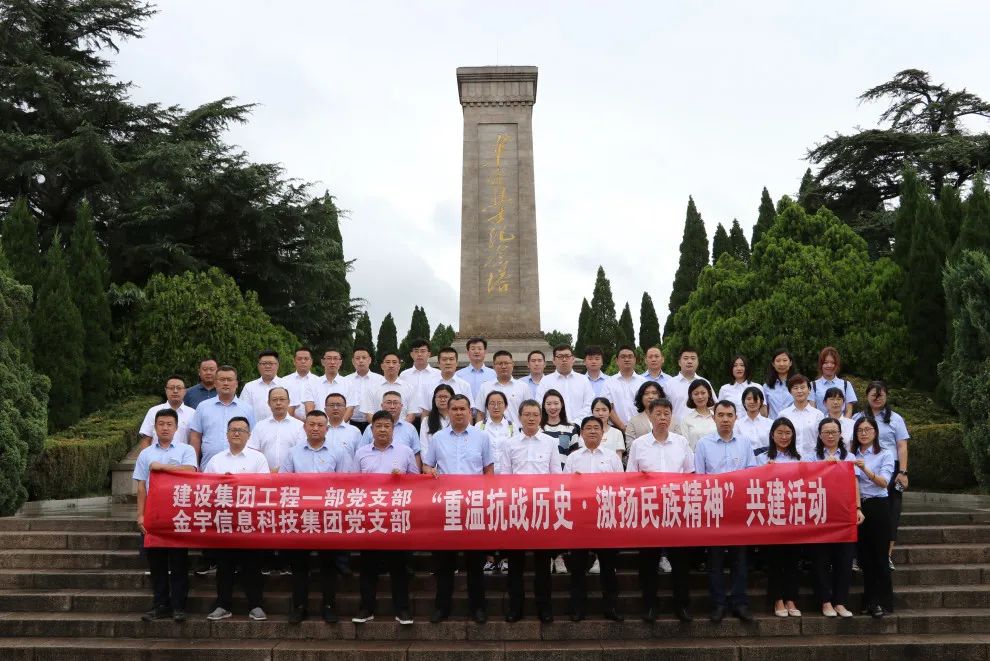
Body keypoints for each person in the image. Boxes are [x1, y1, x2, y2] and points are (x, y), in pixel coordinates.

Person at [422, 395, 494, 624]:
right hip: (446, 506)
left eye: (463, 409)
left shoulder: (482, 437)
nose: (459, 412)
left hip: (474, 506)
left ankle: (478, 608)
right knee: (445, 563)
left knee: (475, 562)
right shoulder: (438, 438)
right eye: (454, 409)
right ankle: (442, 607)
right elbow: (427, 465)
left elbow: (488, 470)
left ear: (470, 412)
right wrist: (429, 471)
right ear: (448, 411)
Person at [627, 398, 695, 623]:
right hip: (649, 510)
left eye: (667, 413)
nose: (663, 418)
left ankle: (682, 605)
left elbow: (690, 474)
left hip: (677, 509)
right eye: (658, 413)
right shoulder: (639, 445)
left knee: (680, 561)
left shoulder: (681, 442)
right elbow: (631, 478)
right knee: (648, 561)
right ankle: (650, 605)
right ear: (649, 416)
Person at [280, 410, 350, 624]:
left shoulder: (338, 452)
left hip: (328, 517)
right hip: (300, 516)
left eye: (320, 425)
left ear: (327, 429)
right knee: (299, 564)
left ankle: (329, 605)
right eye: (311, 424)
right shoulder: (293, 453)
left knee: (328, 564)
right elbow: (283, 483)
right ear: (304, 427)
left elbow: (346, 484)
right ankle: (299, 606)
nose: (315, 428)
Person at [351, 411, 419, 625]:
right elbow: (353, 484)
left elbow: (416, 483)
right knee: (368, 566)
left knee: (399, 567)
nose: (382, 430)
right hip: (370, 517)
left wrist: (403, 479)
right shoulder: (361, 453)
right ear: (371, 429)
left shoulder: (405, 451)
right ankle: (366, 608)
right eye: (378, 426)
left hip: (397, 517)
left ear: (393, 429)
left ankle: (402, 609)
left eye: (386, 426)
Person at [500, 399, 563, 623]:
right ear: (520, 417)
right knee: (515, 563)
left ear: (541, 417)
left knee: (542, 564)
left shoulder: (550, 442)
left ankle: (544, 608)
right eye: (527, 414)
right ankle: (515, 608)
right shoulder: (509, 444)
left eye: (535, 414)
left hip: (542, 510)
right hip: (516, 509)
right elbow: (504, 478)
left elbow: (556, 476)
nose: (531, 418)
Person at [694, 400, 757, 623]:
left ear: (736, 418)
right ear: (714, 418)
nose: (725, 419)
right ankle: (718, 603)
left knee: (740, 559)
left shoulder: (745, 443)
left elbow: (751, 473)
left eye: (729, 415)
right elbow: (699, 478)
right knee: (715, 560)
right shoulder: (703, 444)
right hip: (714, 509)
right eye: (721, 415)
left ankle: (740, 603)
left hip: (739, 509)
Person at [203, 417, 270, 621]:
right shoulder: (216, 460)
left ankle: (256, 605)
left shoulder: (258, 458)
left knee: (252, 565)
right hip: (224, 521)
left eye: (241, 430)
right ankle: (223, 605)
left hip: (250, 520)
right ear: (227, 434)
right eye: (233, 429)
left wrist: (237, 482)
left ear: (249, 435)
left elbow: (264, 487)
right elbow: (205, 487)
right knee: (224, 565)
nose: (237, 433)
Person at [134, 409, 198, 622]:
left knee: (179, 563)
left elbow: (191, 471)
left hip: (178, 514)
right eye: (161, 424)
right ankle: (160, 605)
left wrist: (161, 467)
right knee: (157, 564)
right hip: (154, 515)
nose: (165, 428)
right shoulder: (145, 454)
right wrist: (140, 515)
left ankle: (179, 606)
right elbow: (141, 486)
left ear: (176, 427)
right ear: (155, 427)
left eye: (169, 424)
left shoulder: (186, 449)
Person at [564, 416, 624, 622]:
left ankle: (611, 607)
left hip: (605, 518)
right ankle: (577, 608)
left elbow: (621, 487)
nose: (592, 431)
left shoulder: (612, 457)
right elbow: (564, 487)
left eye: (596, 428)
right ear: (581, 433)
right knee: (578, 566)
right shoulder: (573, 458)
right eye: (588, 428)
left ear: (602, 432)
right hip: (580, 519)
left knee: (608, 567)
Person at [805, 417, 862, 618]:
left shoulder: (849, 456)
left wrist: (858, 508)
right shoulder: (811, 457)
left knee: (844, 559)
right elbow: (806, 481)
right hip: (819, 513)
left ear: (840, 434)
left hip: (843, 514)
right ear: (820, 436)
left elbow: (854, 483)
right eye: (826, 432)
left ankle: (840, 601)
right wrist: (823, 466)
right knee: (820, 559)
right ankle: (825, 601)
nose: (830, 436)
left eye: (834, 432)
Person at [856, 380, 910, 570]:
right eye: (873, 395)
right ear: (867, 397)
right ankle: (860, 555)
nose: (877, 398)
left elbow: (902, 446)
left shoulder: (895, 419)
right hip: (863, 467)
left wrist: (903, 471)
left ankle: (886, 555)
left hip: (890, 468)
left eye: (881, 395)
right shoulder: (859, 417)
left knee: (892, 511)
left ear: (886, 396)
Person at [757, 418, 802, 618]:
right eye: (780, 433)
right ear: (772, 435)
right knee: (775, 559)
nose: (784, 437)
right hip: (771, 515)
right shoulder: (762, 457)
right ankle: (777, 599)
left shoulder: (800, 458)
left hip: (794, 514)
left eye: (787, 433)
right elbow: (753, 483)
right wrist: (765, 471)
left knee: (793, 559)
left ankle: (791, 598)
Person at [852, 416, 895, 618]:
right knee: (865, 557)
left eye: (867, 429)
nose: (863, 433)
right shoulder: (851, 454)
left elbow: (884, 482)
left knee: (880, 556)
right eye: (860, 430)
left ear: (875, 432)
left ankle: (882, 601)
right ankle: (869, 600)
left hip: (878, 505)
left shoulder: (885, 453)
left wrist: (865, 469)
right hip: (858, 507)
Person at [476, 390, 514, 574]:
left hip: (507, 479)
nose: (496, 406)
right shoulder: (479, 426)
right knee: (487, 518)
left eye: (500, 403)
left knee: (506, 518)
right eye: (492, 403)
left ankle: (505, 557)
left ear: (506, 406)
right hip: (486, 479)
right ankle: (489, 558)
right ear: (487, 406)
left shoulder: (513, 426)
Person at [188, 365, 256, 470]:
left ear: (236, 384)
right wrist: (194, 465)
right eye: (222, 380)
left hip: (241, 468)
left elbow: (252, 439)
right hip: (210, 467)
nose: (226, 383)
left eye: (229, 380)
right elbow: (195, 437)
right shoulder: (203, 407)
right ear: (215, 383)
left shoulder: (247, 409)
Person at [248, 387, 305, 473]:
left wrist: (281, 471)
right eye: (274, 400)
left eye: (282, 399)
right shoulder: (260, 426)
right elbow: (253, 452)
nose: (278, 403)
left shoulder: (299, 426)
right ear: (269, 403)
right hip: (265, 475)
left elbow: (301, 454)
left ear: (288, 402)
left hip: (292, 476)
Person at [358, 391, 421, 468]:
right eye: (388, 402)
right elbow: (361, 452)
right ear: (382, 405)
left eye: (395, 403)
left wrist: (416, 474)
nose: (392, 406)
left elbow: (416, 454)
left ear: (401, 406)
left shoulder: (410, 429)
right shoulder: (370, 428)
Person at [536, 344, 595, 420]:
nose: (564, 359)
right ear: (553, 360)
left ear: (573, 359)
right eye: (560, 356)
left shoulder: (583, 380)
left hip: (580, 425)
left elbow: (589, 404)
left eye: (567, 356)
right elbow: (540, 404)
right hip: (553, 425)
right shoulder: (546, 381)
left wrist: (577, 422)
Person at [413, 346, 473, 415]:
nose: (448, 362)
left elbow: (469, 411)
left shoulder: (464, 385)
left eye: (451, 359)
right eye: (444, 359)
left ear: (457, 363)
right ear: (438, 363)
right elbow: (425, 411)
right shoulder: (428, 384)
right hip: (434, 421)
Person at [239, 350, 297, 422]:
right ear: (258, 366)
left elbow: (291, 409)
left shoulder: (288, 385)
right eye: (264, 363)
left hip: (282, 426)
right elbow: (244, 410)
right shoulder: (249, 387)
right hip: (256, 428)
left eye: (271, 363)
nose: (267, 366)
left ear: (277, 365)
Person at [139, 375, 195, 448]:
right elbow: (146, 440)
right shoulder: (153, 411)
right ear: (166, 390)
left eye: (179, 388)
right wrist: (148, 455)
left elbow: (195, 440)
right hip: (156, 455)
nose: (175, 391)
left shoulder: (193, 413)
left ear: (185, 391)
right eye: (171, 388)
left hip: (183, 455)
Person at [475, 350, 530, 424]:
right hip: (490, 430)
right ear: (494, 366)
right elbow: (480, 413)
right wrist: (479, 429)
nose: (503, 366)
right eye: (500, 363)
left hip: (516, 429)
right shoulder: (485, 387)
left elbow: (529, 411)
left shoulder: (523, 387)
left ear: (513, 364)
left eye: (506, 363)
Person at [600, 344, 646, 432]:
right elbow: (608, 407)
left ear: (635, 360)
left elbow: (647, 406)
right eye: (623, 357)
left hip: (641, 428)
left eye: (630, 356)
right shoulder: (609, 383)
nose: (627, 359)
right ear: (617, 360)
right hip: (616, 429)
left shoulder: (643, 382)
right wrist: (622, 427)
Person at [778, 374, 825, 459]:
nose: (799, 391)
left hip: (813, 460)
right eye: (795, 388)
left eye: (802, 387)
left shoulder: (818, 415)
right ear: (790, 391)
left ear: (809, 390)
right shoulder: (783, 415)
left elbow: (823, 439)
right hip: (789, 459)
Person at [360, 352, 414, 422]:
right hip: (379, 427)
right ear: (382, 366)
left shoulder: (409, 387)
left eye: (394, 362)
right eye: (388, 362)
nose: (391, 365)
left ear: (399, 366)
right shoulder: (372, 387)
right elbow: (368, 414)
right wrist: (381, 426)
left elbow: (411, 414)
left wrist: (401, 427)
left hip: (403, 427)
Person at [399, 338, 440, 428]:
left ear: (429, 354)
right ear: (411, 354)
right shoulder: (404, 375)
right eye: (416, 351)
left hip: (431, 418)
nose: (419, 354)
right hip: (408, 419)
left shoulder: (438, 374)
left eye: (423, 351)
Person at [664, 347, 711, 425]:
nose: (689, 361)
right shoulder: (669, 384)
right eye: (685, 358)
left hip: (701, 428)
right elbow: (664, 409)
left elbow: (713, 405)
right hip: (677, 429)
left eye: (693, 358)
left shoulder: (705, 383)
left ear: (698, 362)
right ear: (679, 362)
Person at [342, 346, 385, 432]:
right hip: (351, 422)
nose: (361, 361)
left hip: (374, 422)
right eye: (357, 358)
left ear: (370, 360)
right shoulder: (346, 380)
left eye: (364, 358)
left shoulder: (380, 379)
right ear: (353, 361)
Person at [812, 347, 858, 417]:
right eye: (826, 362)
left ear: (837, 365)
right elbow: (813, 410)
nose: (829, 365)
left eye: (832, 363)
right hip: (820, 423)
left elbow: (849, 410)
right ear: (821, 364)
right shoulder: (813, 386)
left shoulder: (846, 385)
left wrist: (843, 423)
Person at [673, 378, 717, 450]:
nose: (700, 397)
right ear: (691, 396)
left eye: (703, 393)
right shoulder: (686, 420)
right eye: (696, 394)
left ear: (709, 394)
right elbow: (685, 447)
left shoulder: (717, 418)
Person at [624, 381, 664, 453]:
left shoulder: (672, 419)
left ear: (660, 396)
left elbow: (677, 444)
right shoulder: (633, 421)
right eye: (646, 393)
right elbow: (631, 448)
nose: (650, 396)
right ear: (641, 398)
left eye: (654, 393)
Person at [282, 347, 321, 420]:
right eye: (299, 359)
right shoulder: (284, 381)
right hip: (290, 422)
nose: (303, 361)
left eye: (306, 359)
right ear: (294, 361)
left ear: (311, 361)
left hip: (315, 422)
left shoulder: (319, 381)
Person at [323, 392, 361, 465]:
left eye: (339, 405)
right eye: (332, 405)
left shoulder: (354, 431)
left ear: (345, 409)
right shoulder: (320, 430)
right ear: (325, 409)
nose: (335, 408)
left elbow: (360, 456)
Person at [541, 389, 580, 460]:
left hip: (564, 467)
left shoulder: (571, 428)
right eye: (548, 404)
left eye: (556, 403)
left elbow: (575, 455)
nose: (552, 407)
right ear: (544, 406)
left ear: (562, 404)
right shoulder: (538, 429)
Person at [733, 386, 773, 455]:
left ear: (761, 402)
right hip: (745, 458)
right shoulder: (737, 425)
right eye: (749, 399)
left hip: (767, 459)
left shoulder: (770, 423)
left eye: (755, 399)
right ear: (744, 402)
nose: (752, 402)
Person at [310, 348, 349, 415]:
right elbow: (309, 407)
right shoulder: (312, 384)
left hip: (342, 421)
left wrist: (340, 422)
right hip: (318, 421)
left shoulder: (348, 383)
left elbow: (350, 409)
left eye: (335, 358)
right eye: (329, 358)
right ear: (322, 362)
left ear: (340, 362)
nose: (332, 362)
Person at [455, 336, 496, 401]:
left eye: (480, 349)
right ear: (468, 353)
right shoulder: (458, 375)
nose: (476, 351)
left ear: (485, 352)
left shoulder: (494, 374)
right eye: (473, 349)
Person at [420, 384, 454, 455]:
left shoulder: (458, 418)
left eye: (446, 397)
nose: (442, 400)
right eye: (439, 397)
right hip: (433, 460)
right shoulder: (426, 421)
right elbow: (424, 447)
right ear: (434, 399)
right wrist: (429, 462)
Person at [762, 348, 796, 419]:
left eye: (785, 360)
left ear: (790, 363)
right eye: (778, 361)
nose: (781, 364)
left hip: (793, 423)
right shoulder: (766, 386)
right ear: (773, 364)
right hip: (773, 423)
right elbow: (765, 410)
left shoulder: (797, 384)